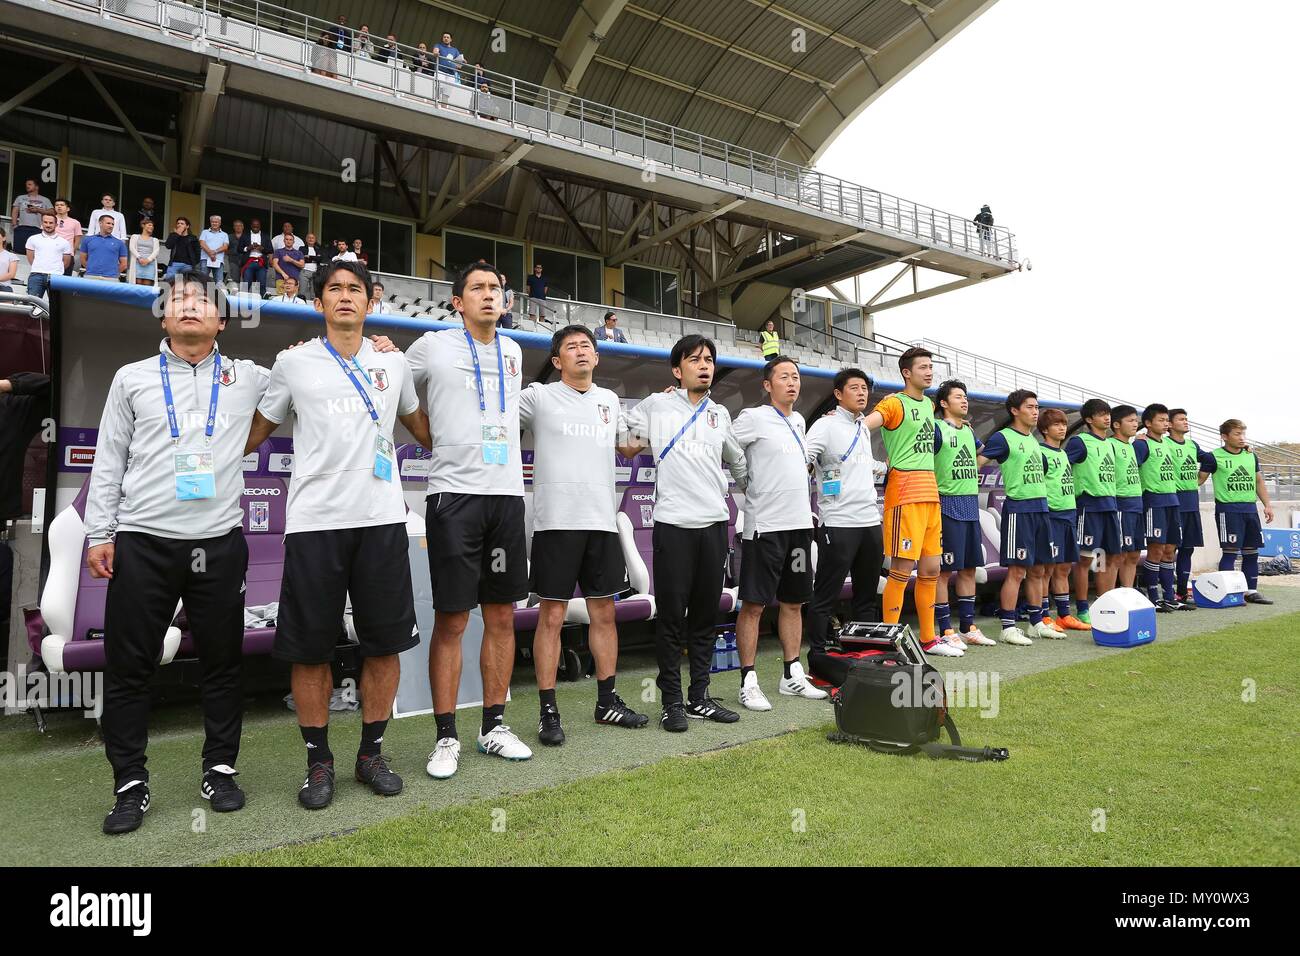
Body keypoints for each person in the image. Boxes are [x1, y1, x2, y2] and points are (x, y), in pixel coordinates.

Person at [85, 275, 269, 834]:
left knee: (222, 663)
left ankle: (219, 768)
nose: (190, 307)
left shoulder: (250, 378)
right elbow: (109, 456)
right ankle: (130, 784)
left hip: (219, 543)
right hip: (143, 542)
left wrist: (380, 346)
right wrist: (100, 532)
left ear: (223, 320)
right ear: (162, 319)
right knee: (129, 669)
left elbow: (316, 366)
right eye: (178, 302)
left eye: (204, 301)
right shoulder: (132, 378)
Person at [244, 261, 431, 810]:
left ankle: (371, 752)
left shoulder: (392, 365)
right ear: (319, 302)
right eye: (334, 290)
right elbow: (256, 431)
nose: (345, 297)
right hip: (314, 524)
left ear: (370, 301)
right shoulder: (292, 362)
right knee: (310, 649)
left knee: (385, 643)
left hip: (380, 521)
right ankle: (318, 762)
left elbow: (421, 428)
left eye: (355, 289)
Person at [404, 262, 532, 778]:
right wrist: (426, 437)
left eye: (495, 289)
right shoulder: (431, 346)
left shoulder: (514, 351)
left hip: (505, 498)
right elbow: (396, 391)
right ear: (457, 302)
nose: (487, 295)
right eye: (476, 289)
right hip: (453, 498)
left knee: (501, 617)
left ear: (504, 301)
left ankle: (493, 726)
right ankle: (446, 736)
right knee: (454, 619)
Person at [519, 325, 649, 744]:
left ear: (596, 358)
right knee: (552, 616)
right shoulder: (537, 396)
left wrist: (653, 417)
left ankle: (607, 701)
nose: (580, 352)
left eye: (587, 347)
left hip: (601, 523)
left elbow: (629, 447)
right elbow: (496, 415)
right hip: (555, 524)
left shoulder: (609, 401)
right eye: (571, 347)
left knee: (604, 613)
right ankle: (548, 711)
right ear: (557, 361)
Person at [618, 335, 748, 731]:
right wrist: (636, 436)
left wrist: (750, 486)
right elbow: (626, 442)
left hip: (714, 525)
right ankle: (671, 702)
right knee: (672, 618)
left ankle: (700, 697)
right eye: (695, 360)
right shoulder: (657, 405)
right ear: (677, 370)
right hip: (673, 524)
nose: (704, 365)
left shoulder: (720, 414)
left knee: (706, 617)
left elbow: (737, 460)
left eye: (709, 359)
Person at [730, 356, 825, 710]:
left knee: (794, 601)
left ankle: (791, 675)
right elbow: (726, 445)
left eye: (796, 377)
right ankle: (748, 680)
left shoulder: (799, 420)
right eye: (784, 377)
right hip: (765, 528)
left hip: (800, 526)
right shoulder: (753, 418)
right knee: (754, 604)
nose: (792, 382)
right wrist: (745, 479)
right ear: (768, 385)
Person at [861, 347, 949, 655]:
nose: (929, 371)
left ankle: (929, 638)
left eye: (930, 366)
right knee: (901, 570)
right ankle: (890, 642)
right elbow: (866, 424)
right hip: (905, 493)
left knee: (931, 570)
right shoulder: (894, 403)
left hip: (930, 494)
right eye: (923, 367)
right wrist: (849, 419)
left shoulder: (928, 404)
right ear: (906, 373)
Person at [803, 368, 885, 669]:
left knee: (866, 595)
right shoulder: (825, 426)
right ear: (838, 394)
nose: (862, 393)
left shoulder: (862, 426)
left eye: (864, 388)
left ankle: (865, 656)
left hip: (869, 521)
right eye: (854, 388)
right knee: (826, 593)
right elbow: (804, 458)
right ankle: (818, 656)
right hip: (838, 521)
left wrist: (888, 468)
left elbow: (860, 464)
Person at [977, 389, 1060, 645]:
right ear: (1015, 410)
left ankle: (1036, 623)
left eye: (1037, 407)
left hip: (1041, 510)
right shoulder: (1003, 438)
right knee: (1017, 571)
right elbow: (977, 461)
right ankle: (1008, 626)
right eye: (1030, 407)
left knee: (1038, 570)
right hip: (1019, 511)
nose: (1035, 412)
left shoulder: (1034, 440)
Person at [932, 379, 995, 647]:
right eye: (958, 397)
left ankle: (968, 626)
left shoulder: (969, 432)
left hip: (970, 505)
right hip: (946, 504)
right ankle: (946, 629)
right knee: (944, 571)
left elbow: (984, 453)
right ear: (944, 403)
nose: (964, 400)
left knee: (970, 568)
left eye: (965, 396)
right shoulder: (935, 429)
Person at [1199, 419, 1274, 605]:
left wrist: (1267, 504)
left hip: (1250, 510)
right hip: (1228, 511)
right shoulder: (1213, 457)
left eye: (1243, 434)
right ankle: (1229, 593)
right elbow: (1198, 481)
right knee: (1230, 552)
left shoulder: (1251, 456)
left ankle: (1251, 591)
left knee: (1252, 552)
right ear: (1224, 437)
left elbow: (1258, 482)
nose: (1242, 438)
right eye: (1237, 434)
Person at [1066, 399, 1121, 620]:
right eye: (1101, 414)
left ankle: (1103, 603)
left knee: (1106, 558)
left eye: (1108, 414)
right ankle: (1082, 608)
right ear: (1089, 419)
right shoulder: (1079, 442)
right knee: (1085, 559)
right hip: (1089, 507)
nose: (1106, 418)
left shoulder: (1109, 443)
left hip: (1110, 505)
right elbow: (1062, 466)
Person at [1038, 407, 1091, 631]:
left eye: (1063, 424)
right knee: (1045, 569)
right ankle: (1043, 616)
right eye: (1056, 424)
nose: (1062, 428)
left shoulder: (1063, 454)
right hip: (1051, 516)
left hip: (1069, 514)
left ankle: (1063, 615)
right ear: (1044, 429)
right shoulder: (1041, 453)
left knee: (1064, 568)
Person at [1133, 403, 1184, 611]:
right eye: (1161, 420)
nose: (1166, 424)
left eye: (1167, 420)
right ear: (1148, 423)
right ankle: (1153, 597)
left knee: (1170, 550)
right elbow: (1130, 469)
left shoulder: (1168, 444)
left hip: (1173, 501)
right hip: (1154, 501)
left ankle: (1169, 596)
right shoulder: (1142, 445)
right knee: (1156, 549)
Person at [1166, 408, 1205, 605]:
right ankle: (1166, 591)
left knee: (1188, 548)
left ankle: (1182, 591)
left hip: (1192, 503)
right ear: (1170, 425)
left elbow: (1210, 461)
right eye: (1181, 419)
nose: (1186, 422)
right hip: (1173, 502)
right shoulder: (1164, 443)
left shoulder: (1192, 445)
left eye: (1186, 419)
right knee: (1169, 549)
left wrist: (1200, 479)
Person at [1108, 405, 1145, 588]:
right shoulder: (1110, 445)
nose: (1135, 424)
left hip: (1137, 504)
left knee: (1134, 554)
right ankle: (1112, 595)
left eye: (1135, 420)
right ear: (1116, 424)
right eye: (1130, 420)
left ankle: (1128, 593)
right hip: (1121, 504)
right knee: (1119, 554)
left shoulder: (1131, 446)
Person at [23, 211, 73, 299]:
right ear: (42, 223)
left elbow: (66, 262)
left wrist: (56, 270)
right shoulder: (33, 239)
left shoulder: (64, 242)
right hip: (36, 275)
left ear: (56, 225)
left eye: (51, 223)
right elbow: (30, 259)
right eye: (45, 222)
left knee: (56, 306)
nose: (48, 225)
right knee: (32, 304)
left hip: (56, 277)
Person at [10, 179, 52, 258]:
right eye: (26, 184)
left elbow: (52, 212)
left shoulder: (45, 200)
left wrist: (38, 210)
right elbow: (15, 211)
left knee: (35, 253)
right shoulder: (20, 198)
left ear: (36, 187)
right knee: (19, 252)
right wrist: (14, 225)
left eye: (29, 184)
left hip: (37, 229)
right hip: (22, 227)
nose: (27, 186)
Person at [80, 214, 128, 281]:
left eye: (112, 224)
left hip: (111, 278)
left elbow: (124, 264)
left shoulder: (120, 243)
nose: (111, 226)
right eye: (108, 223)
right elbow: (82, 259)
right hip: (91, 276)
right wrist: (92, 270)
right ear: (100, 223)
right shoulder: (87, 239)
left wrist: (113, 274)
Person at [53, 198, 83, 274]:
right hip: (52, 252)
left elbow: (78, 239)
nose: (59, 207)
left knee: (65, 279)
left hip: (67, 254)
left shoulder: (75, 222)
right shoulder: (49, 220)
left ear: (68, 208)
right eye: (57, 205)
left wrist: (72, 251)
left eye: (62, 205)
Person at [198, 215, 229, 285]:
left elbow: (225, 247)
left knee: (219, 282)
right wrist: (210, 253)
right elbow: (202, 243)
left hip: (218, 260)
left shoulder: (225, 234)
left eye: (216, 222)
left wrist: (214, 252)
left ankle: (217, 295)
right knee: (202, 280)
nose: (214, 223)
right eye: (212, 222)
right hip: (205, 259)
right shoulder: (205, 232)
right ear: (210, 223)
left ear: (220, 223)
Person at [128, 219, 159, 285]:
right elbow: (132, 248)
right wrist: (140, 258)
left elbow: (156, 251)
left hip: (149, 264)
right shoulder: (135, 237)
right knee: (137, 284)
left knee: (147, 284)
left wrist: (148, 260)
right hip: (137, 263)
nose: (151, 227)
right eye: (149, 225)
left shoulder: (155, 240)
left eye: (152, 226)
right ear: (143, 225)